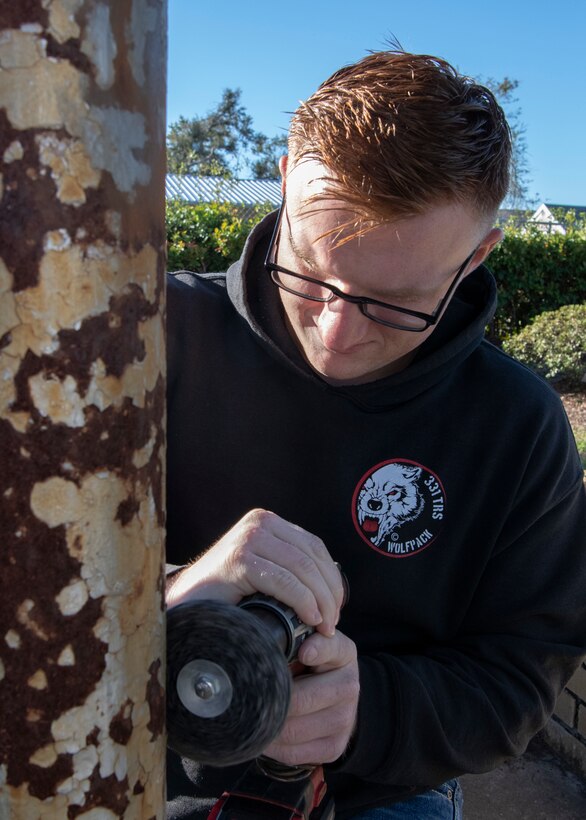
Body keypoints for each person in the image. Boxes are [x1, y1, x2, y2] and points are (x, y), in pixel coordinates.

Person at [164, 49, 586, 819]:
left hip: (380, 785)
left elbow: (523, 677)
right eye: (311, 275)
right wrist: (177, 596)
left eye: (396, 304)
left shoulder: (517, 427)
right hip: (145, 749)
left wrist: (369, 710)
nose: (336, 334)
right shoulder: (139, 346)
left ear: (477, 257)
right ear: (285, 180)